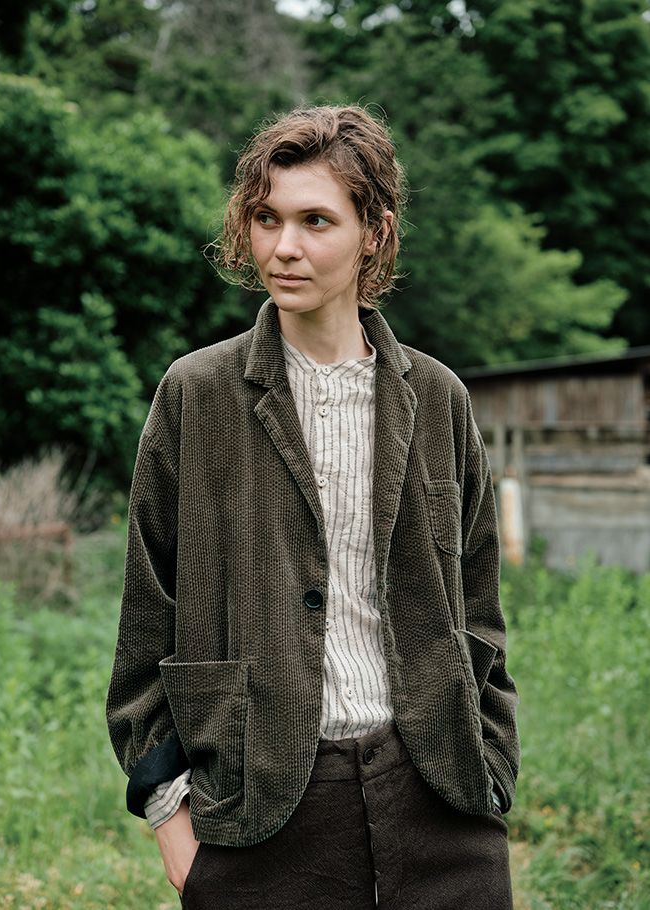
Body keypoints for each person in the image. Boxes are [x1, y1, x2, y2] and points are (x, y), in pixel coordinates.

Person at [106, 104, 520, 909]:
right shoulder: (196, 395)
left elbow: (479, 609)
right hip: (260, 805)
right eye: (266, 218)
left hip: (441, 800)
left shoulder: (438, 398)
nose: (282, 247)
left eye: (315, 221)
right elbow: (145, 623)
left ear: (375, 233)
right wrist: (168, 814)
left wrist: (492, 759)